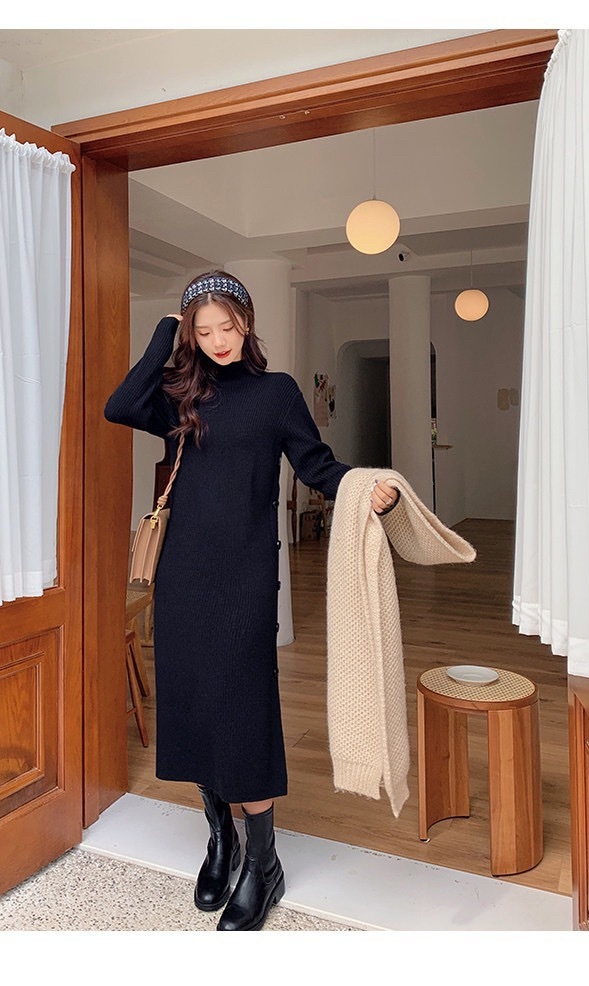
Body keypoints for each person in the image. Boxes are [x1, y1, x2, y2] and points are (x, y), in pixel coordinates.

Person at [104, 270, 399, 931]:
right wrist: (165, 331)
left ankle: (263, 862)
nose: (218, 340)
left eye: (227, 327)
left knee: (242, 712)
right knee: (193, 704)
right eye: (203, 330)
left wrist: (366, 488)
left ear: (247, 322)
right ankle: (221, 839)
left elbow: (317, 465)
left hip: (244, 580)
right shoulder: (180, 395)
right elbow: (119, 406)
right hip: (183, 576)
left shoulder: (277, 393)